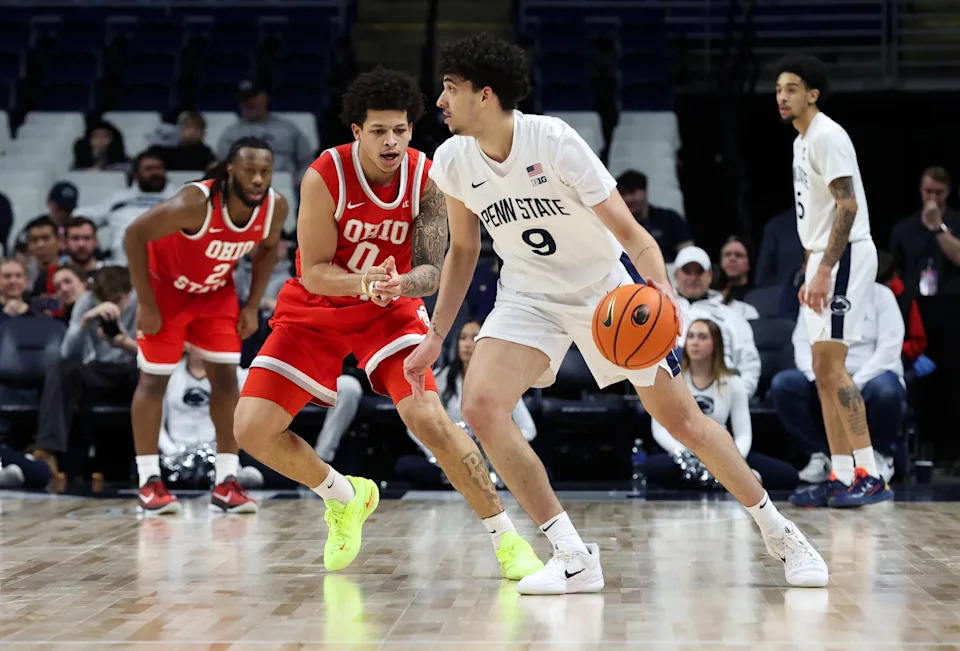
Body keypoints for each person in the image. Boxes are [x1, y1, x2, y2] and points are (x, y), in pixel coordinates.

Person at [403, 32, 828, 595]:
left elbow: (631, 233)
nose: (439, 101)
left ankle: (779, 532)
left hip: (606, 296)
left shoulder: (553, 141)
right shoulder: (453, 159)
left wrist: (663, 294)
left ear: (485, 95)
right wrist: (437, 334)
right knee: (482, 407)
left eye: (450, 89)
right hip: (528, 297)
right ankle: (572, 554)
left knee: (685, 423)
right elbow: (463, 251)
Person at [232, 68, 542, 579]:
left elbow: (430, 266)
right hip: (322, 305)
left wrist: (401, 283)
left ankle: (508, 539)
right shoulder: (324, 175)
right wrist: (361, 283)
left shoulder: (428, 177)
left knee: (427, 418)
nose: (391, 140)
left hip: (389, 309)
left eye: (399, 130)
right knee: (252, 428)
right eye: (379, 131)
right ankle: (344, 494)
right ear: (356, 131)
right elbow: (313, 270)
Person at [124, 136, 288, 515]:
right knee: (154, 380)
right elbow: (134, 234)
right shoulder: (194, 202)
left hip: (215, 292)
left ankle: (226, 482)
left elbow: (266, 251)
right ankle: (149, 481)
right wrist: (146, 303)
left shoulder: (275, 207)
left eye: (265, 171)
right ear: (231, 171)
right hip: (167, 292)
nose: (259, 179)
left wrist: (250, 305)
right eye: (250, 171)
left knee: (227, 381)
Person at [776, 53, 893, 505]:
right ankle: (842, 474)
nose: (782, 97)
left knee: (832, 366)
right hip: (822, 258)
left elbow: (848, 207)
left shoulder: (827, 135)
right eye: (778, 90)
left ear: (812, 94)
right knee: (823, 371)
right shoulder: (800, 141)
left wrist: (825, 268)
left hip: (843, 257)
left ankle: (871, 471)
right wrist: (812, 265)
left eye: (790, 89)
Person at [772, 281, 906, 491]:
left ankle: (880, 456)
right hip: (824, 374)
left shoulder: (881, 294)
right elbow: (801, 342)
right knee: (784, 385)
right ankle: (822, 456)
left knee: (885, 391)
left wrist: (855, 383)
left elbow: (890, 346)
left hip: (871, 374)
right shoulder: (814, 293)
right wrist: (818, 378)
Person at [646, 319, 799, 490]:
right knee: (654, 467)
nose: (695, 342)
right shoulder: (671, 380)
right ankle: (722, 481)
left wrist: (734, 461)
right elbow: (658, 429)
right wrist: (683, 454)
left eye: (702, 337)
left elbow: (743, 434)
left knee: (788, 475)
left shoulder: (733, 382)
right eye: (691, 336)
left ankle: (715, 480)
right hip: (684, 452)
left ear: (716, 344)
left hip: (721, 451)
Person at [401, 320, 537, 485]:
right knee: (406, 466)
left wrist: (499, 441)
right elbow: (414, 426)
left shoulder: (502, 380)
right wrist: (437, 451)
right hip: (452, 456)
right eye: (462, 338)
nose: (467, 344)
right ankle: (455, 479)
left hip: (493, 458)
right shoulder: (440, 378)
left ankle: (484, 481)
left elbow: (528, 429)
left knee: (536, 470)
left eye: (474, 337)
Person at [889, 166, 960, 296]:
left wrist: (938, 228)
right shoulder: (903, 228)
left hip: (952, 302)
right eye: (928, 191)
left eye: (939, 193)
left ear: (948, 191)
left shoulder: (957, 221)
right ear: (921, 190)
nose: (933, 198)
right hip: (914, 303)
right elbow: (895, 270)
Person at [616, 169, 693, 263]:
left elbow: (688, 251)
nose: (628, 199)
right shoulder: (616, 224)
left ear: (645, 191)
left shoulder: (669, 219)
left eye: (632, 192)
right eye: (623, 194)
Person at [712, 236, 753, 303]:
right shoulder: (710, 294)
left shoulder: (759, 295)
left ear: (749, 262)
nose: (732, 259)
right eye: (727, 255)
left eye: (739, 255)